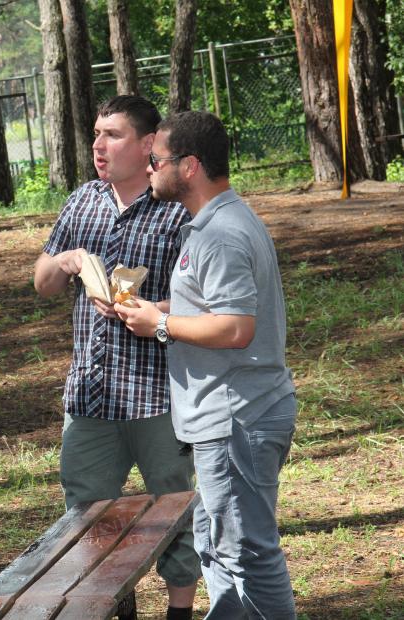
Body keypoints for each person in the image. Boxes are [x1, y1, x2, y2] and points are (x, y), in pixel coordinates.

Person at [117, 111, 297, 619]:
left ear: (189, 166)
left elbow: (237, 327)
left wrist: (160, 324)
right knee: (217, 546)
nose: (149, 169)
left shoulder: (220, 234)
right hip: (230, 413)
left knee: (247, 553)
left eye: (156, 160)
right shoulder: (217, 223)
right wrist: (157, 310)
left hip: (238, 416)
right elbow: (217, 307)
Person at [33, 95, 200, 619]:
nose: (98, 145)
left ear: (148, 144)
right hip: (90, 394)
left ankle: (179, 611)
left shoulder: (176, 207)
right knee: (87, 515)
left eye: (113, 134)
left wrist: (150, 309)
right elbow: (42, 284)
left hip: (158, 393)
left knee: (173, 507)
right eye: (96, 134)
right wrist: (64, 260)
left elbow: (203, 300)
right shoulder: (82, 201)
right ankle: (114, 608)